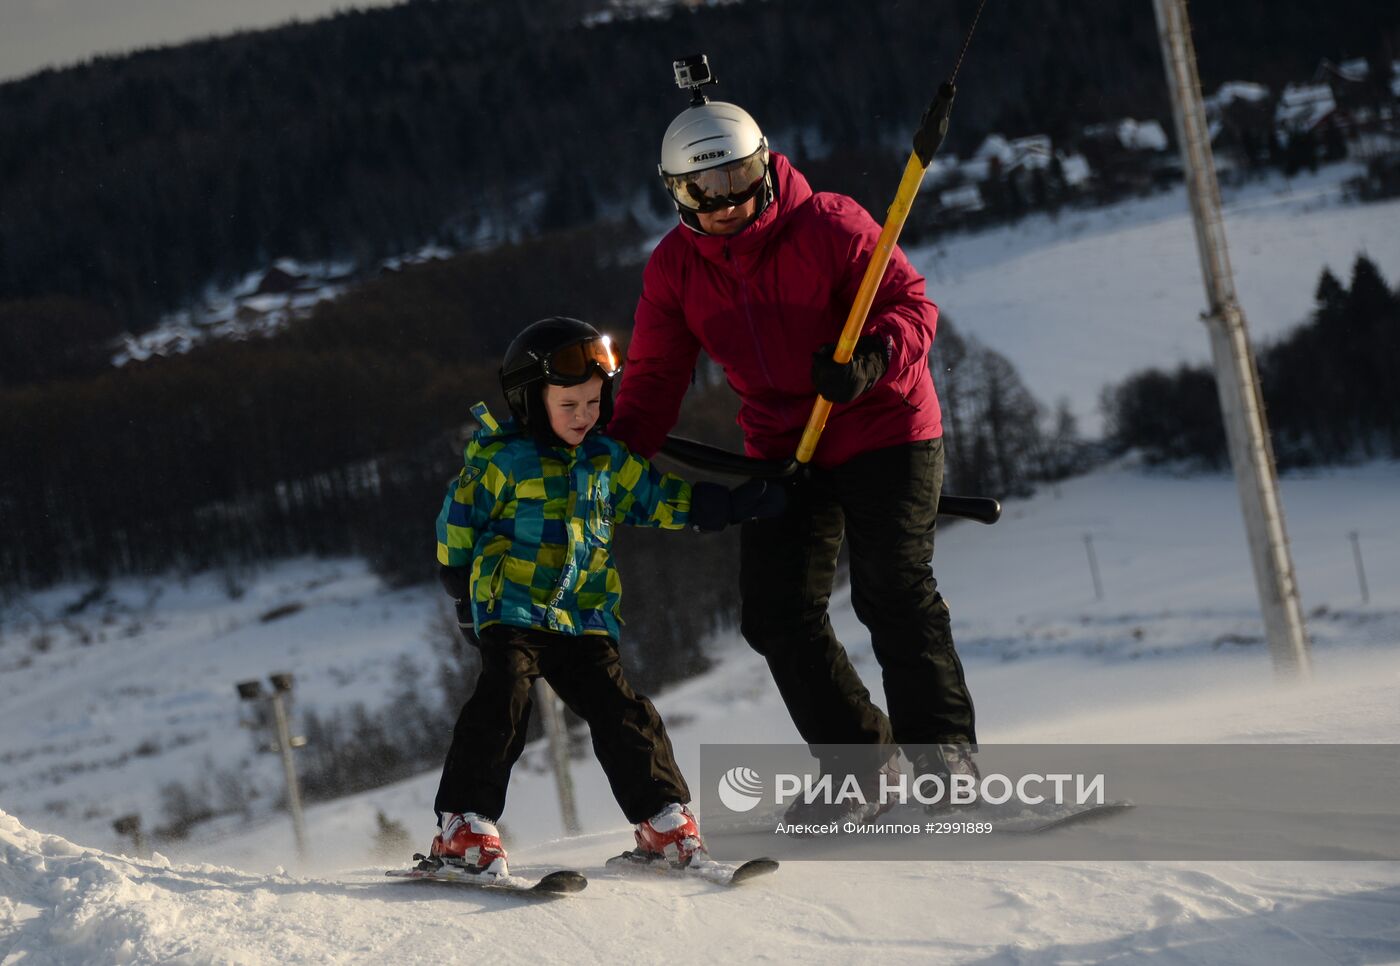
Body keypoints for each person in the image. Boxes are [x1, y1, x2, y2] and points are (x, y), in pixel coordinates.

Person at [607, 81, 978, 818]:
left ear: (766, 165)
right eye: (702, 188)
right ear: (676, 194)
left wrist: (870, 359)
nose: (725, 200)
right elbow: (652, 378)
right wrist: (613, 458)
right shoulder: (675, 269)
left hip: (883, 425)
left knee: (892, 589)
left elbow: (912, 306)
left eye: (737, 178)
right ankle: (862, 769)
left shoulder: (831, 225)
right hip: (784, 447)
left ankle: (946, 764)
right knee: (776, 611)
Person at [429, 316, 783, 875]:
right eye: (569, 404)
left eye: (593, 401)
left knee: (623, 712)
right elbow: (458, 521)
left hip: (585, 614)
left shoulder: (605, 461)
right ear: (529, 401)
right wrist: (457, 582)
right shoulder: (500, 461)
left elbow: (658, 498)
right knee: (505, 700)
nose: (584, 416)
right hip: (512, 606)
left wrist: (730, 506)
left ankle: (662, 818)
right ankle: (463, 826)